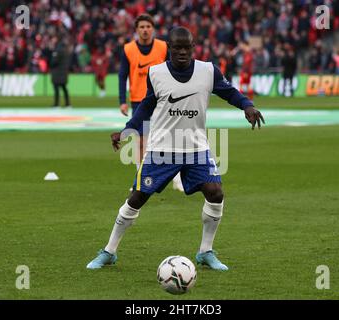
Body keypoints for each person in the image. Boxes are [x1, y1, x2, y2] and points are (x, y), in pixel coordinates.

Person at [86, 27, 264, 271]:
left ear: (193, 48)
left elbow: (229, 92)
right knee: (137, 198)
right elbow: (146, 106)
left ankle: (205, 251)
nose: (182, 52)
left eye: (186, 47)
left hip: (196, 148)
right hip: (162, 148)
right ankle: (109, 251)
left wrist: (247, 105)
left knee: (215, 192)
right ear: (169, 48)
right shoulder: (156, 73)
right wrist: (128, 130)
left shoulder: (208, 70)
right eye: (177, 47)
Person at [118, 14, 185, 191]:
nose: (145, 30)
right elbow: (122, 75)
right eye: (142, 27)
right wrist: (122, 101)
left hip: (162, 99)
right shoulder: (128, 49)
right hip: (139, 101)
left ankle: (177, 177)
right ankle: (141, 178)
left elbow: (174, 70)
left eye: (148, 26)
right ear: (136, 29)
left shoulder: (163, 47)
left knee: (168, 138)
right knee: (141, 141)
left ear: (153, 28)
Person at [50, 35, 71, 108]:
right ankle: (68, 104)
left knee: (56, 88)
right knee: (64, 88)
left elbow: (54, 62)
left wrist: (51, 63)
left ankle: (56, 104)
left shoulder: (57, 50)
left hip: (57, 72)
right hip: (64, 71)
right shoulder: (65, 49)